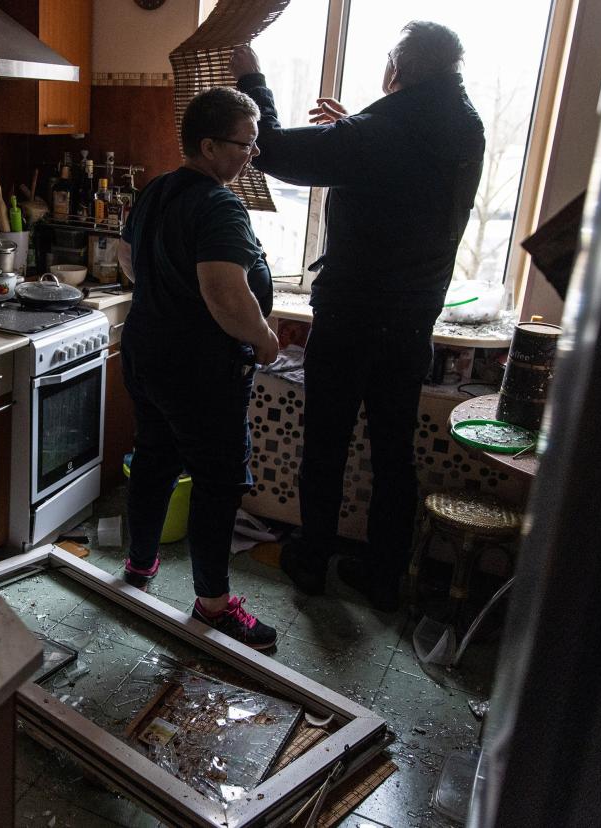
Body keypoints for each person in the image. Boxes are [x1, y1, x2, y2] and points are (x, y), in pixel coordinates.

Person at [230, 22, 485, 611]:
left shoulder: (380, 133)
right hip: (414, 318)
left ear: (399, 71)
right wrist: (353, 131)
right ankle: (383, 574)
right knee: (395, 451)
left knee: (326, 442)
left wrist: (252, 77)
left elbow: (271, 149)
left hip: (353, 314)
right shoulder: (465, 126)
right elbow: (401, 167)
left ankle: (312, 560)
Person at [116, 86, 280, 649]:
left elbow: (127, 260)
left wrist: (167, 292)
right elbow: (224, 292)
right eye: (245, 145)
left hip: (147, 355)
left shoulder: (157, 189)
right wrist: (263, 339)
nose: (251, 156)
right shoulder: (218, 204)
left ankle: (139, 566)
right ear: (209, 145)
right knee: (218, 482)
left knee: (156, 457)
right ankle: (213, 604)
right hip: (199, 371)